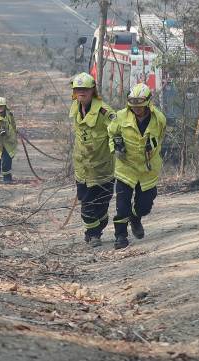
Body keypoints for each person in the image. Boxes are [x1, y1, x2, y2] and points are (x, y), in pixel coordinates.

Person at [106, 83, 166, 249]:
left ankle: (136, 217)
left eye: (139, 105)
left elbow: (160, 139)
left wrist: (151, 147)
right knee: (122, 205)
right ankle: (120, 236)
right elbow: (111, 134)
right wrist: (115, 146)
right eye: (133, 104)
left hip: (147, 169)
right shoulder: (120, 117)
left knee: (145, 205)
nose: (136, 108)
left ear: (147, 103)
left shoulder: (159, 119)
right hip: (126, 168)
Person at [68, 72, 116, 247]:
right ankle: (93, 234)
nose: (81, 92)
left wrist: (117, 144)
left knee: (102, 206)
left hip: (103, 169)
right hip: (82, 169)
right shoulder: (75, 107)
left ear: (92, 91)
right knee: (87, 203)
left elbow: (116, 130)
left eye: (85, 89)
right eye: (78, 89)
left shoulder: (104, 112)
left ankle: (95, 230)